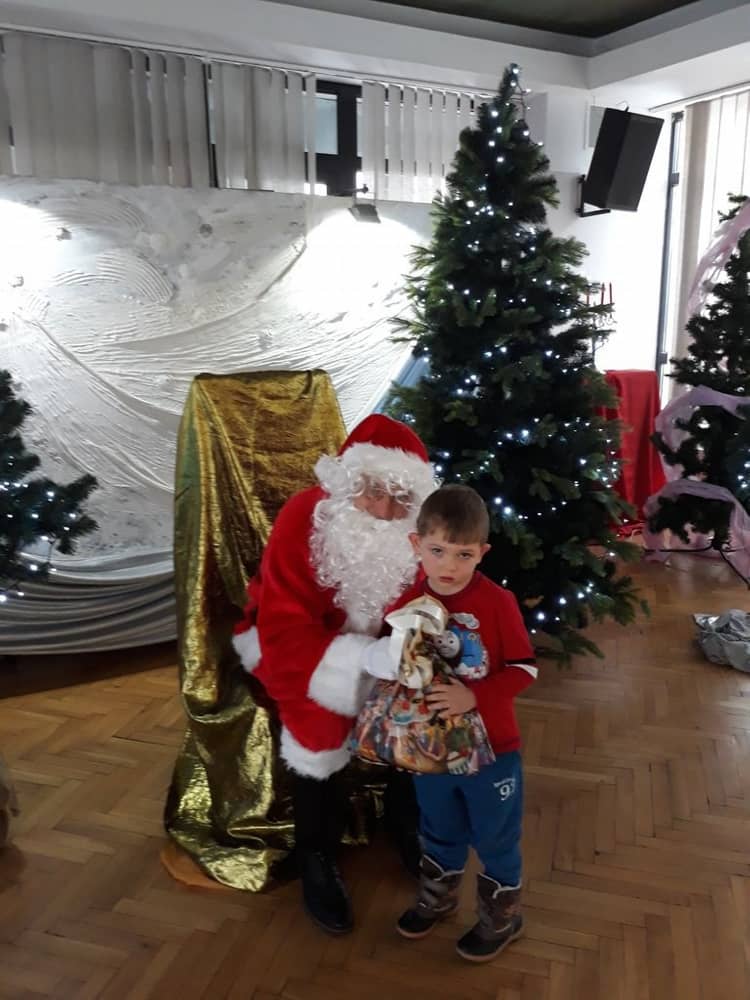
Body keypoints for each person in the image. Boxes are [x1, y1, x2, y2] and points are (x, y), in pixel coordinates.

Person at [231, 414, 436, 934]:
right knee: (317, 727)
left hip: (383, 649)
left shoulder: (418, 532)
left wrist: (405, 659)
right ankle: (316, 853)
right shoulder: (306, 515)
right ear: (348, 482)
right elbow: (283, 620)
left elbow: (427, 603)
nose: (385, 510)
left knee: (417, 704)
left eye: (400, 497)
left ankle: (406, 824)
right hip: (302, 646)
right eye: (374, 492)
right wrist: (357, 666)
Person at [388, 484, 537, 962]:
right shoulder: (409, 599)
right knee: (438, 826)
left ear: (482, 553)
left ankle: (502, 917)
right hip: (431, 745)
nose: (449, 566)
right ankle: (439, 897)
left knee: (495, 835)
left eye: (464, 554)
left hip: (493, 750)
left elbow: (524, 668)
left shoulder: (498, 602)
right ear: (417, 545)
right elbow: (395, 655)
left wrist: (474, 695)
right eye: (437, 551)